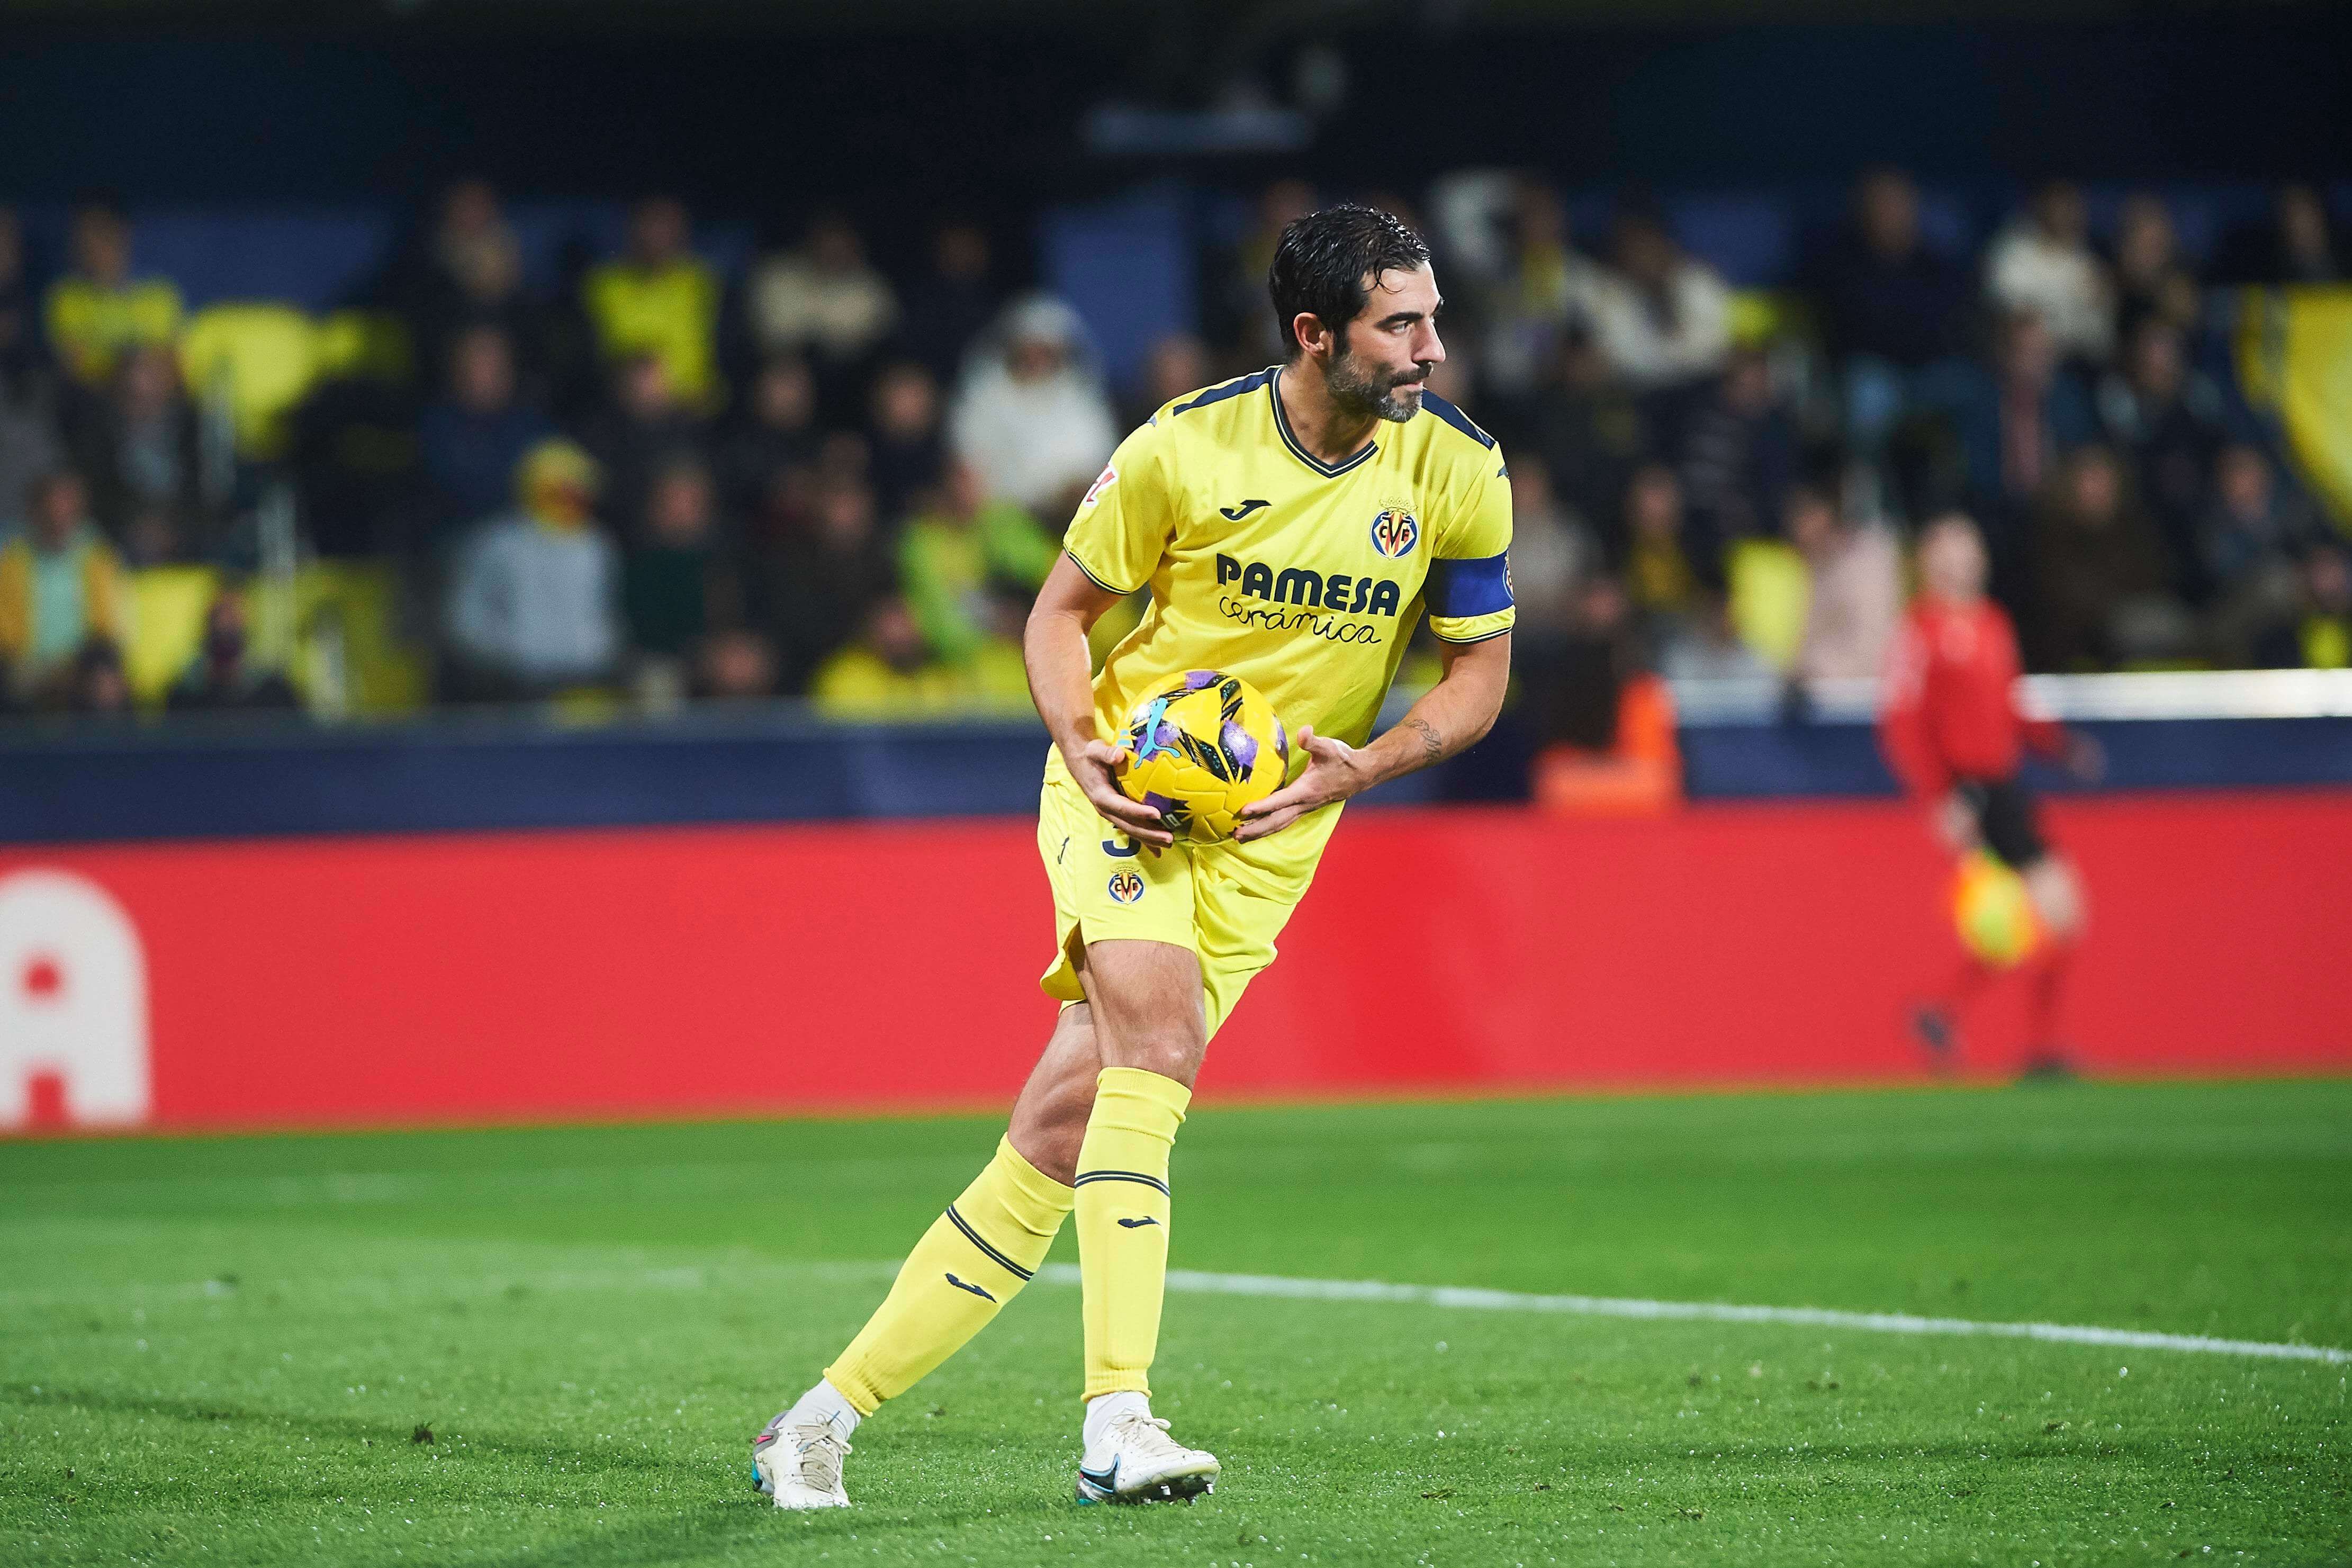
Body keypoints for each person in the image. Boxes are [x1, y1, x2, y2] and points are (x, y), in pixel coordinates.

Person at [751, 203, 1515, 1511]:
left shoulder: (1457, 471)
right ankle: (1117, 1419)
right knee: (1155, 1047)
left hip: (1273, 838)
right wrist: (1082, 741)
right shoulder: (1182, 446)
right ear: (1314, 333)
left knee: (1058, 1136)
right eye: (1400, 325)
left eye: (1431, 320)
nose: (1430, 349)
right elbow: (1058, 617)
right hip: (1129, 793)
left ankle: (815, 1419)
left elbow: (1479, 673)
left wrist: (1368, 764)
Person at [1881, 513, 2103, 1078]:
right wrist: (1938, 797)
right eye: (1948, 547)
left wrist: (2059, 745)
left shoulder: (1993, 623)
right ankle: (2039, 1046)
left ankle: (1942, 1011)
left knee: (2028, 921)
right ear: (1927, 561)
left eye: (1969, 546)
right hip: (1971, 789)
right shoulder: (1920, 630)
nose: (1962, 558)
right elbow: (1902, 721)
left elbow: (2007, 706)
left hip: (2007, 785)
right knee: (2056, 910)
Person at [442, 440, 623, 699]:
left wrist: (600, 649)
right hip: (513, 684)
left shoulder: (596, 545)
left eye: (579, 491)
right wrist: (506, 651)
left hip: (586, 681)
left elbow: (605, 611)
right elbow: (466, 617)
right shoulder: (498, 543)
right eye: (562, 491)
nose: (573, 499)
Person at [948, 295, 1119, 517]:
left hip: (1066, 518)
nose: (1036, 358)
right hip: (996, 518)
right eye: (1029, 348)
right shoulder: (983, 397)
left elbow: (1099, 468)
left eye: (1045, 350)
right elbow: (966, 465)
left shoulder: (1081, 400)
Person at [897, 458, 1058, 666]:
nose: (969, 492)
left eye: (972, 482)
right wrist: (995, 630)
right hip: (964, 662)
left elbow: (1045, 570)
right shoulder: (920, 544)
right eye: (959, 484)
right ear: (940, 491)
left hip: (1031, 642)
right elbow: (938, 618)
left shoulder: (1002, 521)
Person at [581, 197, 723, 411]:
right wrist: (628, 373)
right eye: (650, 224)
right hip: (620, 407)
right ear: (632, 229)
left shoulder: (703, 282)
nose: (657, 235)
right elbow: (589, 355)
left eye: (666, 225)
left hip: (695, 410)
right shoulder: (602, 284)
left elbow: (727, 350)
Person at [417, 325, 556, 539]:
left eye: (495, 364)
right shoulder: (437, 425)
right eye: (477, 363)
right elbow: (455, 491)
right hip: (461, 535)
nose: (487, 373)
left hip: (530, 532)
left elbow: (560, 478)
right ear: (456, 369)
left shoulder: (530, 423)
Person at [0, 471, 124, 706]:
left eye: (68, 508)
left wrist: (73, 665)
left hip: (83, 664)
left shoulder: (98, 559)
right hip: (24, 664)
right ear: (36, 512)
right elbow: (6, 632)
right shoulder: (11, 561)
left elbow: (109, 626)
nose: (60, 517)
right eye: (53, 509)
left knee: (105, 680)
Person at [1582, 204, 1730, 392]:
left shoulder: (1699, 281)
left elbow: (1713, 349)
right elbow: (1625, 361)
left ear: (1665, 244)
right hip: (1642, 394)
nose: (1642, 258)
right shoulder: (1611, 294)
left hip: (1706, 385)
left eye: (1647, 246)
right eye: (1633, 250)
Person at [44, 201, 183, 391]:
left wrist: (128, 365)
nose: (94, 246)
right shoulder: (66, 297)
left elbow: (168, 364)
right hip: (93, 398)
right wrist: (123, 367)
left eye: (103, 234)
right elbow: (75, 365)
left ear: (123, 235)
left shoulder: (159, 294)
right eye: (86, 237)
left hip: (151, 396)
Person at [1985, 181, 2113, 366]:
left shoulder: (2088, 263)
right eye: (2058, 205)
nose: (2064, 214)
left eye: (2071, 206)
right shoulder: (2011, 252)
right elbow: (2009, 312)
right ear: (2042, 206)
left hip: (2077, 363)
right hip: (2022, 360)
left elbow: (2099, 334)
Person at [1789, 482, 1901, 683]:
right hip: (1826, 691)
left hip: (1861, 693)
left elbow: (1873, 649)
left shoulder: (1868, 564)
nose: (1797, 530)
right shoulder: (1817, 567)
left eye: (1803, 517)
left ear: (1823, 517)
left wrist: (1816, 672)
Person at [165, 584, 298, 713]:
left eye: (233, 616)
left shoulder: (273, 693)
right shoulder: (185, 696)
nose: (226, 624)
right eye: (220, 615)